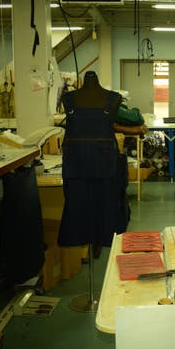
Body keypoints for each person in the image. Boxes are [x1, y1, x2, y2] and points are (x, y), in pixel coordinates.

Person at [58, 71, 129, 254]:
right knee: (79, 218)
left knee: (105, 218)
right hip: (78, 180)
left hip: (103, 179)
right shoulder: (68, 99)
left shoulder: (113, 99)